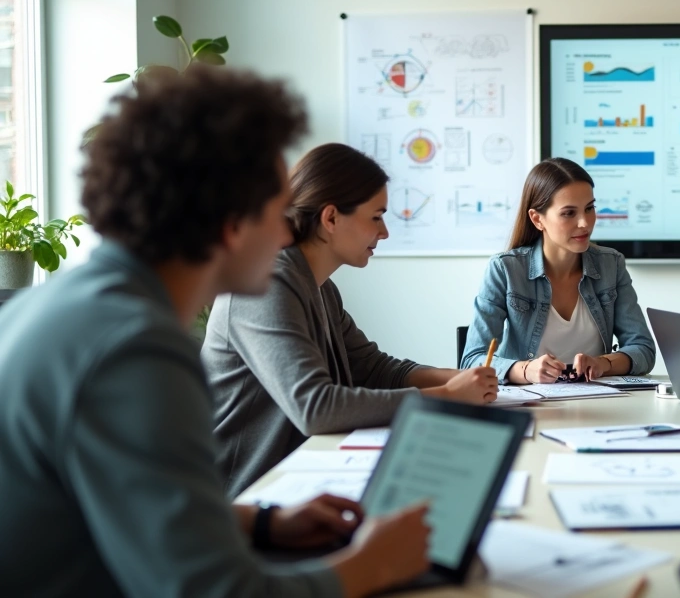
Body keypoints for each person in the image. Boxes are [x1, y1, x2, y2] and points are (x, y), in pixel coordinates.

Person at [0, 67, 430, 597]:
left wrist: (263, 522)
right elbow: (216, 592)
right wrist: (371, 565)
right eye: (276, 212)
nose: (285, 233)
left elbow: (130, 506)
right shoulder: (134, 349)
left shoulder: (67, 304)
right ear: (230, 224)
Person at [204, 142, 498, 497]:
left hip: (305, 481)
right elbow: (316, 407)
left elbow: (372, 368)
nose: (385, 231)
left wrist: (459, 379)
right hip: (248, 501)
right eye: (376, 216)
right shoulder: (267, 285)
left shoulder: (320, 287)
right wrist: (448, 396)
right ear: (330, 218)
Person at [461, 157, 655, 383]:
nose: (585, 223)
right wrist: (526, 370)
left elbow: (643, 349)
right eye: (569, 213)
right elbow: (472, 361)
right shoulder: (505, 269)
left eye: (590, 208)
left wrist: (603, 363)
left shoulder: (611, 264)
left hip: (598, 403)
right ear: (537, 219)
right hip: (528, 404)